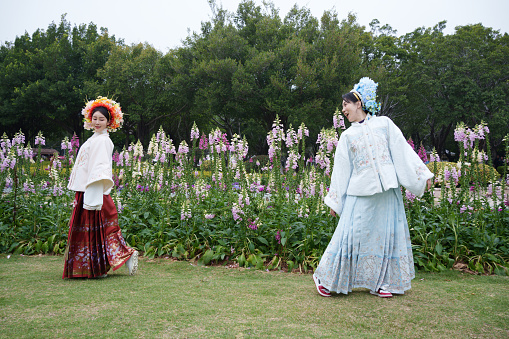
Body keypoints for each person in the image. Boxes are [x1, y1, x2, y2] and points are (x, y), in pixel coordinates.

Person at [312, 78, 433, 298]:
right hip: (360, 192)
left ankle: (382, 283)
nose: (343, 110)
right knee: (348, 235)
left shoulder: (384, 124)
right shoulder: (347, 136)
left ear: (358, 103)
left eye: (345, 104)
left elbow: (401, 150)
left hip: (388, 191)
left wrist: (421, 174)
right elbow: (341, 171)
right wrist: (336, 201)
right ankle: (326, 279)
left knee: (386, 237)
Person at [63, 97, 138, 279]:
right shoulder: (94, 138)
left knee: (99, 230)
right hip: (86, 190)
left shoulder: (103, 141)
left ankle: (108, 263)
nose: (97, 122)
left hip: (94, 191)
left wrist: (93, 194)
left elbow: (100, 168)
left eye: (101, 119)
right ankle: (100, 265)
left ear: (109, 122)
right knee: (95, 231)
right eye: (95, 118)